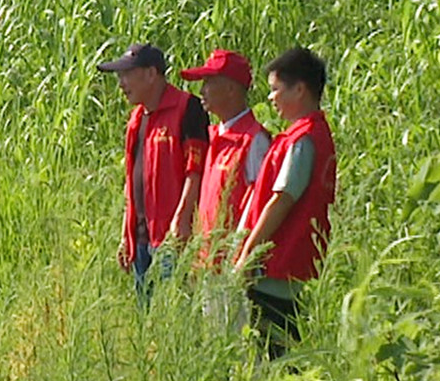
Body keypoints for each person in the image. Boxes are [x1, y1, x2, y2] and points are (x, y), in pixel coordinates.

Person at [232, 47, 336, 358]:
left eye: (276, 89)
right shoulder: (306, 135)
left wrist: (248, 252)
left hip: (281, 270)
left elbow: (282, 200)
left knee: (276, 357)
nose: (271, 98)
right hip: (288, 268)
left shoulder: (304, 138)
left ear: (300, 89)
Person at [96, 43, 209, 289]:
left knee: (175, 315)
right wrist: (126, 235)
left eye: (127, 74)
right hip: (140, 241)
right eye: (119, 76)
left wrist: (182, 218)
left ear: (151, 74)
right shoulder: (137, 118)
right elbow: (132, 178)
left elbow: (195, 169)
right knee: (147, 319)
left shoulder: (187, 108)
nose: (121, 83)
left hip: (172, 238)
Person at [179, 49, 273, 269]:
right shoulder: (213, 136)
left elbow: (260, 208)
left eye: (209, 82)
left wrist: (243, 259)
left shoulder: (254, 139)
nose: (202, 90)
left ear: (231, 88)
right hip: (206, 264)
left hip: (233, 268)